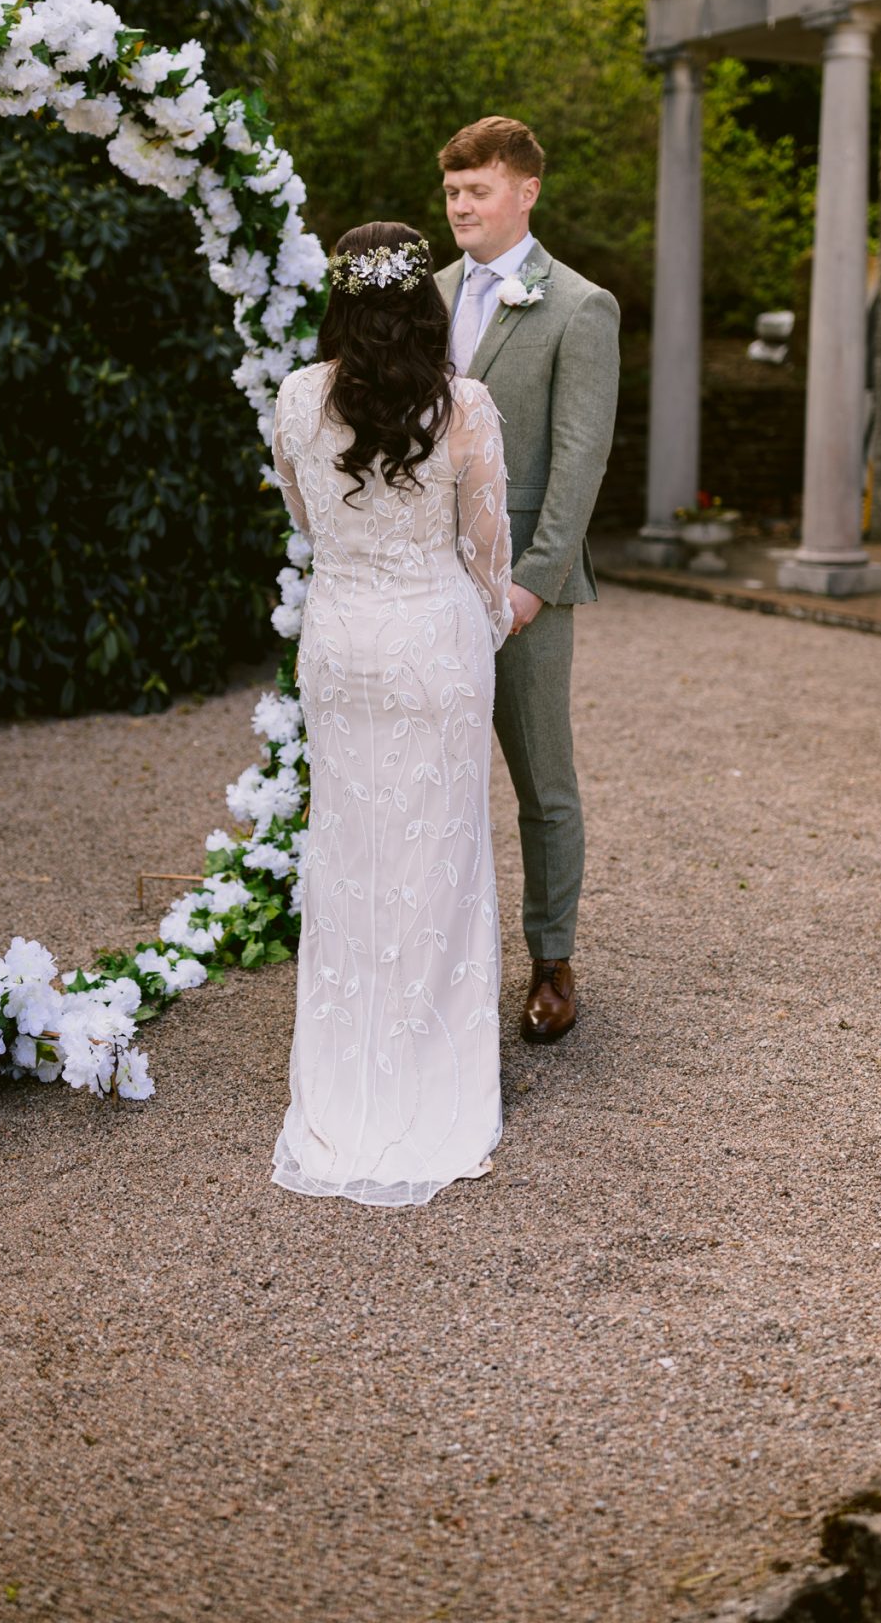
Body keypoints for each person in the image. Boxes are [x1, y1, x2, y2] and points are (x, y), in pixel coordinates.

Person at [270, 221, 514, 1206]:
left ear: (338, 303)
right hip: (431, 641)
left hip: (341, 646)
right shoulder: (467, 408)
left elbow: (303, 519)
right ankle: (433, 1070)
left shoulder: (293, 399)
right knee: (440, 856)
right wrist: (484, 627)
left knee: (350, 849)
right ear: (426, 305)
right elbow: (487, 549)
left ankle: (348, 1071)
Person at [434, 117, 620, 1045]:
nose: (462, 207)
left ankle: (552, 959)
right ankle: (437, 956)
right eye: (454, 193)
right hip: (424, 581)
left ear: (526, 192)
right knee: (431, 773)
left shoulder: (579, 308)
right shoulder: (428, 297)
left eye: (478, 191)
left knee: (542, 781)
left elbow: (581, 461)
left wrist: (532, 585)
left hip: (522, 588)